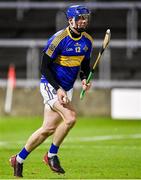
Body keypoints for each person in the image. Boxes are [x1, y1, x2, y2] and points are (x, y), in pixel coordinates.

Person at [10, 4, 94, 178]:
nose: (83, 21)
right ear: (70, 20)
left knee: (47, 129)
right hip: (51, 86)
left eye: (85, 18)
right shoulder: (58, 40)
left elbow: (84, 65)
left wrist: (85, 79)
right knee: (70, 118)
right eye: (80, 18)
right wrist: (58, 89)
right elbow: (44, 67)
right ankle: (51, 155)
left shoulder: (87, 41)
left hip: (66, 88)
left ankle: (18, 159)